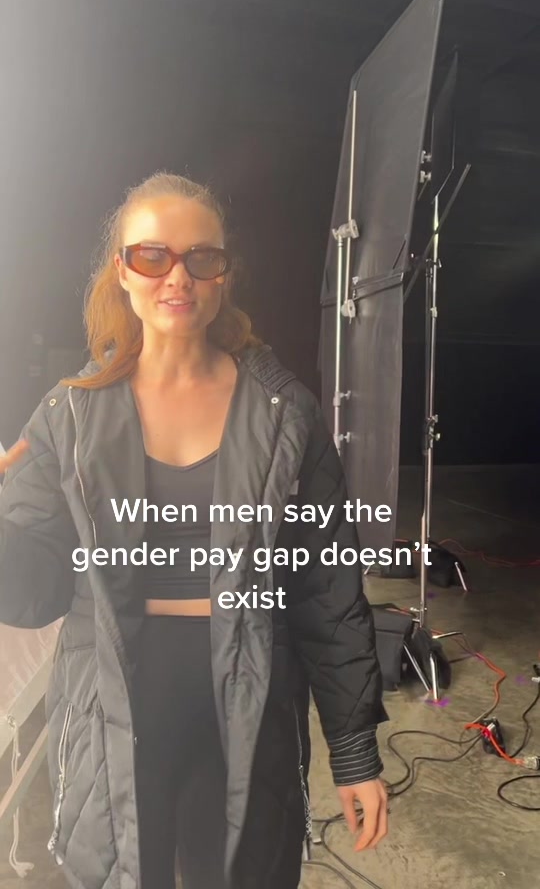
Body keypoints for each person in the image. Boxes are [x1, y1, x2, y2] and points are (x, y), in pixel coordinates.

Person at [0, 172, 388, 889]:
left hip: (247, 699)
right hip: (111, 702)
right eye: (152, 256)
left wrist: (354, 747)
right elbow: (37, 591)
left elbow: (325, 589)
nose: (176, 276)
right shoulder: (68, 417)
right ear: (122, 271)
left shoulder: (285, 415)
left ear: (224, 274)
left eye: (200, 258)